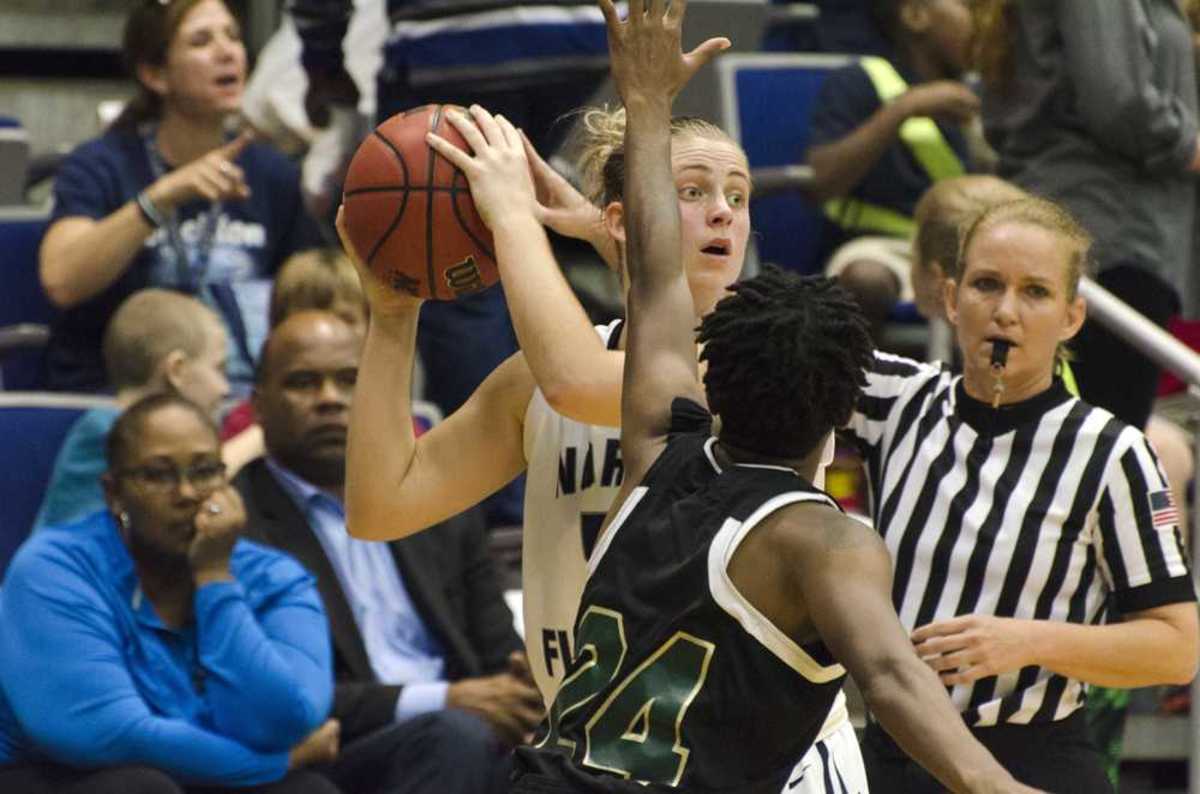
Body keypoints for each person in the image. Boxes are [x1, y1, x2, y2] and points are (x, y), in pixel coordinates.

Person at [510, 2, 1041, 791]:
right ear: (838, 415)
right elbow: (892, 680)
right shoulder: (822, 541)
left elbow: (655, 283)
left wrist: (646, 102)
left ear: (711, 378)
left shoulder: (658, 454)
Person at [336, 89, 863, 794]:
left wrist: (514, 217)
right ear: (627, 216)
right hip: (602, 759)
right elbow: (381, 506)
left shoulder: (754, 363)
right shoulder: (542, 380)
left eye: (738, 197)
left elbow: (577, 379)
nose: (723, 213)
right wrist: (395, 314)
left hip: (762, 761)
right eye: (693, 190)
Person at [847, 196, 1198, 793]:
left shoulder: (1110, 453)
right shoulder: (896, 397)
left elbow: (1176, 648)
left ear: (1072, 317)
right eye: (987, 285)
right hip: (891, 758)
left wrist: (1025, 641)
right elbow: (728, 363)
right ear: (952, 299)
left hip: (1030, 759)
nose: (1006, 311)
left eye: (1035, 292)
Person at [287, 0, 616, 528]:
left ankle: (501, 504)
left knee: (461, 277)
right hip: (583, 41)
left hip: (451, 42)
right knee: (520, 236)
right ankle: (536, 469)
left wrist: (322, 59)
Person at [235, 310, 538, 794]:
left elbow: (496, 647)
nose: (329, 400)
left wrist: (524, 687)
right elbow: (279, 694)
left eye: (348, 380)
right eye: (303, 383)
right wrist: (444, 699)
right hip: (338, 752)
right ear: (259, 406)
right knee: (452, 737)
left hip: (465, 734)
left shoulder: (439, 501)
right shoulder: (239, 524)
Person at [0, 394, 341, 794]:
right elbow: (108, 734)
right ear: (113, 493)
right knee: (139, 787)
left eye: (204, 472)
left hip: (201, 771)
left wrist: (215, 578)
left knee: (308, 791)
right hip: (59, 774)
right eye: (158, 475)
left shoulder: (272, 576)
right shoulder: (55, 568)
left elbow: (285, 718)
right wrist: (276, 764)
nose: (186, 493)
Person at [39, 0, 322, 395]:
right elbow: (62, 281)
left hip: (243, 403)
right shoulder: (102, 166)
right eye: (201, 41)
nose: (227, 52)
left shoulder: (272, 174)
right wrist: (161, 198)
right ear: (154, 74)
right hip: (119, 403)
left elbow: (311, 297)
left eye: (233, 37)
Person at [975, 0, 1199, 432]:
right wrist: (1188, 148)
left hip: (1105, 224)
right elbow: (1118, 102)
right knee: (1092, 451)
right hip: (1109, 229)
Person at [806, 0, 975, 337]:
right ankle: (846, 388)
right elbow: (820, 183)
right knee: (866, 280)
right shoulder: (859, 81)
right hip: (882, 247)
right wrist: (904, 109)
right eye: (968, 4)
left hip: (967, 252)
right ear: (915, 15)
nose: (981, 19)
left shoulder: (990, 95)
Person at [34, 288, 260, 532]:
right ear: (177, 370)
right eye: (219, 369)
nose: (225, 389)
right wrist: (258, 438)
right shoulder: (106, 432)